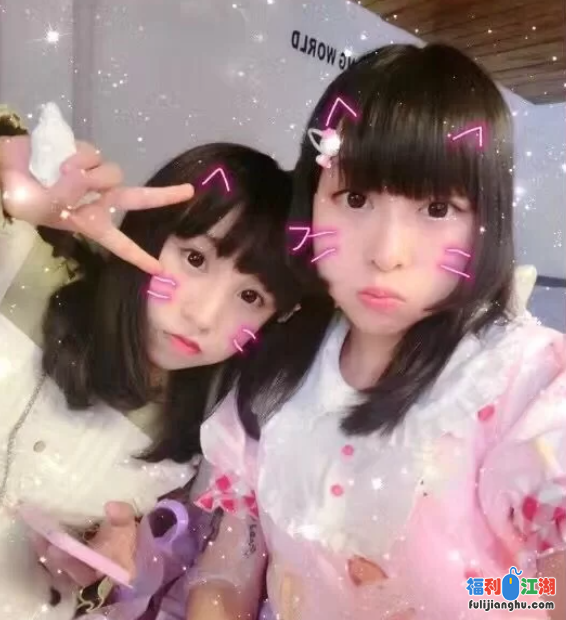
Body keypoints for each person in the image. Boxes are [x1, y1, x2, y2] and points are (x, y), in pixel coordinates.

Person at [186, 44, 566, 620]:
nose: (387, 253)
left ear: (487, 221)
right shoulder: (277, 373)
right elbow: (227, 568)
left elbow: (552, 594)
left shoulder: (525, 384)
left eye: (437, 209)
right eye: (355, 198)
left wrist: (476, 602)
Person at [0, 111, 302, 619]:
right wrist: (12, 187)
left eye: (250, 296)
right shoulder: (25, 270)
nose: (202, 316)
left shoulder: (212, 434)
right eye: (196, 259)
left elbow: (151, 579)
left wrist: (109, 572)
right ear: (150, 230)